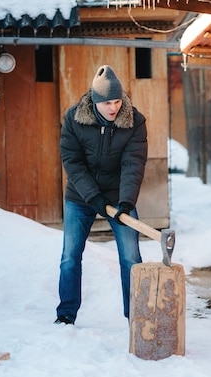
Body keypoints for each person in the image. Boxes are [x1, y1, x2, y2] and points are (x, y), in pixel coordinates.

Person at [55, 65, 148, 325]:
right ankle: (66, 314)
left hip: (119, 195)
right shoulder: (74, 118)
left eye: (117, 101)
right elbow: (72, 161)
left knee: (131, 257)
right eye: (107, 102)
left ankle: (136, 316)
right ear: (95, 101)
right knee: (70, 257)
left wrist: (127, 202)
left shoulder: (134, 121)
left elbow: (134, 164)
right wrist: (93, 197)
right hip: (81, 196)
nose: (113, 108)